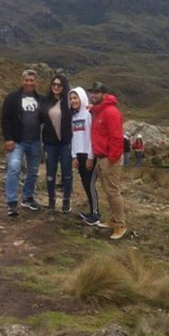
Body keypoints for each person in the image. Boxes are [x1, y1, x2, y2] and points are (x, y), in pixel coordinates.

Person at [1, 69, 43, 217]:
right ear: (22, 81)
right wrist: (8, 138)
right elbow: (5, 118)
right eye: (27, 80)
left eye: (32, 80)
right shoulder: (12, 98)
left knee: (33, 171)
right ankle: (11, 203)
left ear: (36, 83)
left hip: (35, 141)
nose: (29, 83)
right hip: (17, 141)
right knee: (14, 168)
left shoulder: (40, 99)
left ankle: (27, 197)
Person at [88, 82, 126, 239]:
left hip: (110, 159)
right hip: (101, 157)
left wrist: (112, 158)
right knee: (108, 192)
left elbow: (116, 137)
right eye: (92, 92)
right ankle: (113, 219)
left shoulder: (110, 112)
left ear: (104, 94)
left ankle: (120, 224)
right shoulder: (98, 111)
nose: (94, 95)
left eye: (97, 93)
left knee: (113, 192)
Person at [41, 73, 73, 213]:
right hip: (50, 143)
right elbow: (39, 119)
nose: (56, 87)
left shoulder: (69, 102)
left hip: (66, 143)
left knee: (67, 172)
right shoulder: (45, 101)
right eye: (53, 84)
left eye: (59, 85)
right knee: (50, 173)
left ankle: (66, 202)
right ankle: (51, 201)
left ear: (64, 86)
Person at [70, 87, 100, 226]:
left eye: (75, 97)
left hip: (89, 155)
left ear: (82, 98)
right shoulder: (74, 116)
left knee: (91, 184)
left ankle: (96, 213)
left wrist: (90, 156)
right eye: (71, 98)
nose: (73, 101)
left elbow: (91, 137)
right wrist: (74, 156)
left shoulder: (89, 114)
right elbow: (74, 138)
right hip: (79, 155)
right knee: (85, 184)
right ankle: (91, 211)